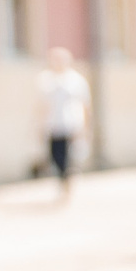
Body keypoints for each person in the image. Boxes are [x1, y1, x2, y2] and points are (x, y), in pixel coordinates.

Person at [35, 47, 91, 200]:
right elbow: (41, 106)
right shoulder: (46, 80)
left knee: (68, 157)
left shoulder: (76, 80)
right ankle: (63, 181)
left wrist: (86, 127)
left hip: (72, 124)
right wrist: (39, 127)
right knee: (55, 156)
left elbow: (85, 105)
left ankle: (68, 181)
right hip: (53, 125)